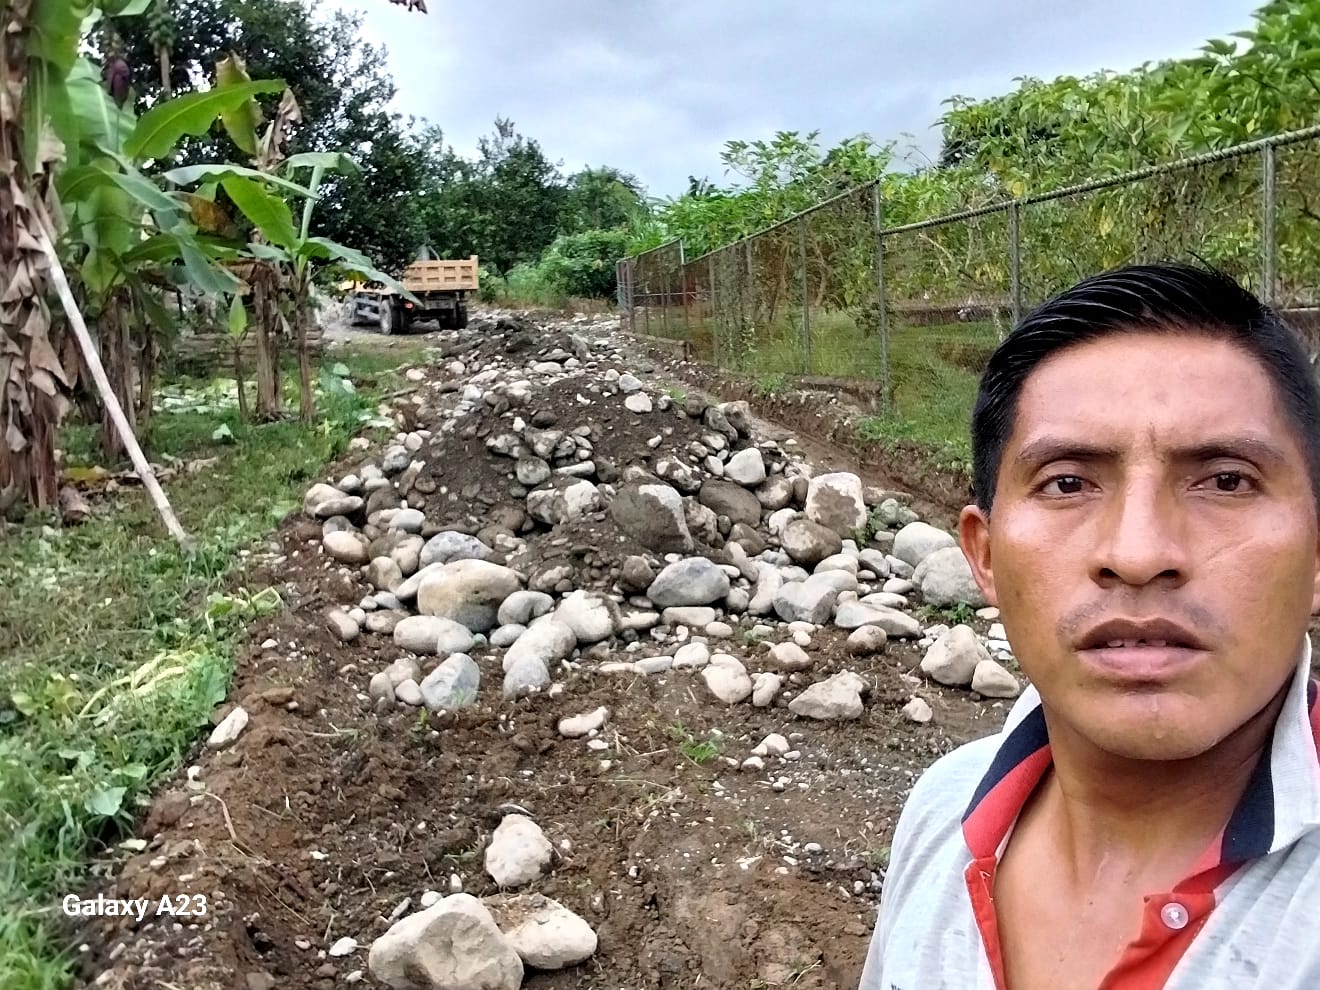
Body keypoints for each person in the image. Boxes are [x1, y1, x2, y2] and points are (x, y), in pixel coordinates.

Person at [859, 263, 1320, 990]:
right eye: (1067, 483)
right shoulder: (941, 809)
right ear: (985, 556)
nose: (1138, 554)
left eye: (1227, 480)